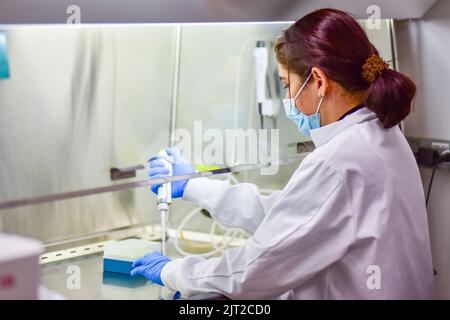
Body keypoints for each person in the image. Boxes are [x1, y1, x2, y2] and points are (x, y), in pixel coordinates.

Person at [130, 8, 433, 299]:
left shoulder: (338, 162)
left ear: (318, 81)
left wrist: (176, 271)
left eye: (287, 85)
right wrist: (195, 186)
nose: (288, 99)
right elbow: (294, 217)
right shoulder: (383, 134)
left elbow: (255, 271)